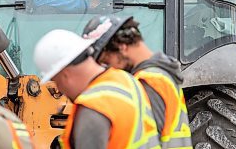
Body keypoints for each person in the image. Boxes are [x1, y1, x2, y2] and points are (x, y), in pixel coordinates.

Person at [33, 29, 160, 149]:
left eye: (55, 82)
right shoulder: (128, 81)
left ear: (64, 75)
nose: (60, 90)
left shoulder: (93, 109)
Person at [82, 16, 193, 149]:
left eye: (106, 61)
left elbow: (144, 140)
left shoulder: (149, 81)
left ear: (121, 47)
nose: (109, 68)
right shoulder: (162, 74)